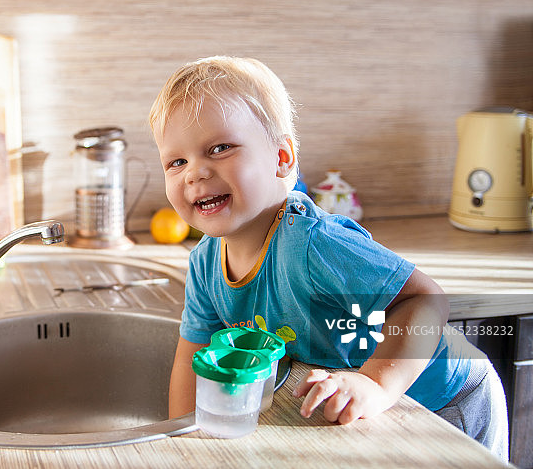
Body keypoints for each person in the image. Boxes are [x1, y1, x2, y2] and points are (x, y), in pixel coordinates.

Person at [148, 56, 508, 461]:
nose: (195, 172)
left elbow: (425, 300)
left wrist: (374, 384)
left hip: (443, 398)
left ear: (282, 158)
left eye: (220, 148)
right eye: (176, 161)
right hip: (364, 405)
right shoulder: (203, 263)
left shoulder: (312, 244)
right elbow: (194, 358)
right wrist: (182, 447)